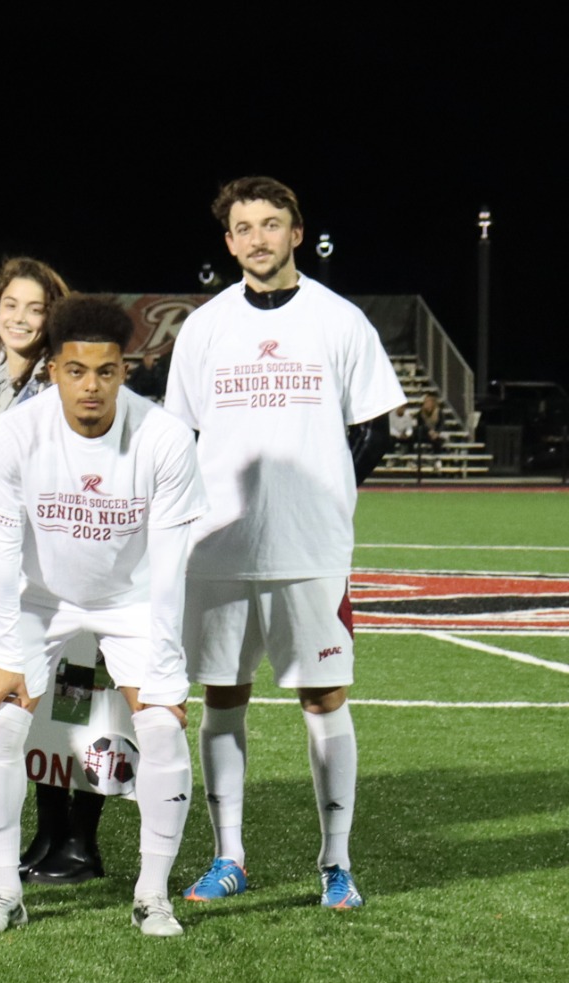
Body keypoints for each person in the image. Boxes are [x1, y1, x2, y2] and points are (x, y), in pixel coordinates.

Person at [165, 176, 405, 911]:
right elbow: (181, 436)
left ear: (296, 233)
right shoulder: (204, 327)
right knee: (222, 693)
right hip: (218, 545)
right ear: (229, 241)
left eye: (271, 224)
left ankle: (337, 862)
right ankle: (228, 855)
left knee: (324, 695)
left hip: (310, 547)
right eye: (244, 227)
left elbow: (376, 430)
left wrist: (323, 496)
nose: (258, 238)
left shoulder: (339, 320)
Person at [0, 295, 207, 937]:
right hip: (40, 599)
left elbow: (170, 566)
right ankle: (3, 892)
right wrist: (5, 654)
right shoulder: (16, 433)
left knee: (161, 730)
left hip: (132, 600)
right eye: (76, 371)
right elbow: (1, 553)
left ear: (125, 370)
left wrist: (165, 668)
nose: (91, 386)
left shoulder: (164, 437)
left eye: (105, 371)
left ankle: (153, 895)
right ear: (53, 370)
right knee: (1, 723)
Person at [0, 258, 109, 883]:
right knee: (39, 706)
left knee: (82, 702)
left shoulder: (62, 383)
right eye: (11, 305)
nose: (21, 319)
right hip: (14, 566)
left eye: (36, 308)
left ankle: (82, 840)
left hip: (64, 564)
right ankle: (50, 833)